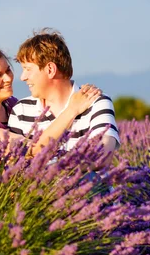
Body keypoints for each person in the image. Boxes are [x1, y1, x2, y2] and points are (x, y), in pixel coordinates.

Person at [0, 45, 102, 155]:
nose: (8, 78)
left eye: (8, 70)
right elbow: (29, 148)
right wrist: (72, 109)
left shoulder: (12, 105)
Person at [8, 28, 120, 167]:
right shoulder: (21, 110)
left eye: (28, 69)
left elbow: (102, 156)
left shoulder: (96, 101)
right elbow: (15, 164)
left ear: (50, 70)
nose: (23, 77)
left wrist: (47, 168)